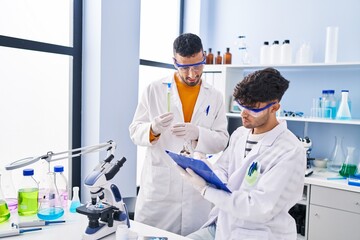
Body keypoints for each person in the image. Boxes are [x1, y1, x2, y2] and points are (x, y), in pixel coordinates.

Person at [179, 68, 306, 240]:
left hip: (260, 234)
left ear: (274, 107)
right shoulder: (240, 134)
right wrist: (204, 168)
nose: (243, 114)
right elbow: (223, 170)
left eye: (252, 108)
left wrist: (205, 190)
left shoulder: (290, 150)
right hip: (223, 226)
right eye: (241, 106)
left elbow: (257, 207)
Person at [129, 33, 229, 235]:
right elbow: (134, 131)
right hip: (160, 189)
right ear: (174, 62)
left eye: (198, 65)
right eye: (185, 67)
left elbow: (222, 140)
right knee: (151, 236)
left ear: (204, 57)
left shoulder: (215, 96)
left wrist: (199, 134)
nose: (192, 74)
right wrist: (152, 129)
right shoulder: (154, 90)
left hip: (196, 190)